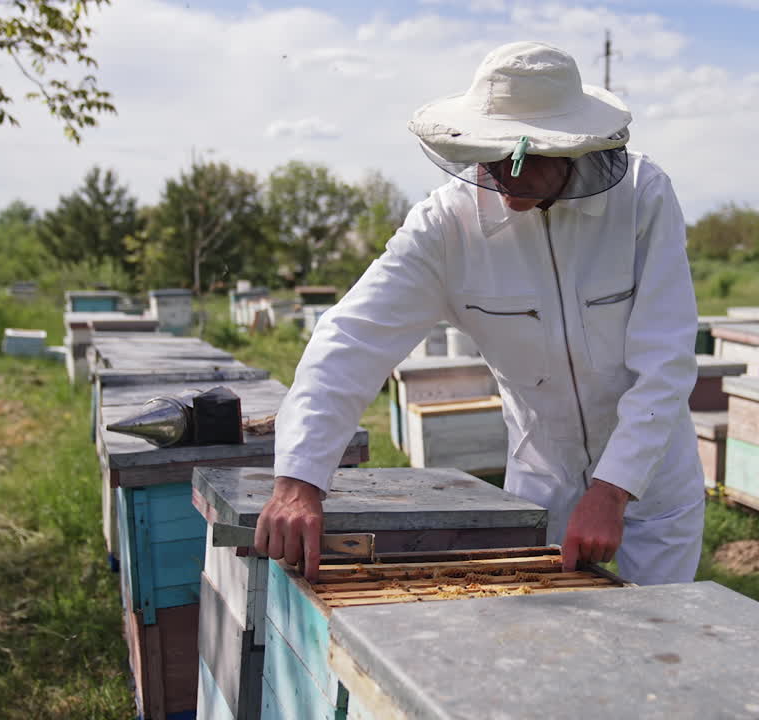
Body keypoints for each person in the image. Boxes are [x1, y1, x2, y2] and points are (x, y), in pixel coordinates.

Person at [256, 40, 705, 585]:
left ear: (576, 149)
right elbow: (351, 339)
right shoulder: (445, 227)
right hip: (542, 483)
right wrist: (299, 479)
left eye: (534, 155)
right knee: (558, 652)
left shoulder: (642, 197)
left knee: (656, 646)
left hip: (652, 484)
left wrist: (614, 488)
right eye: (496, 154)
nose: (510, 173)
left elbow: (666, 360)